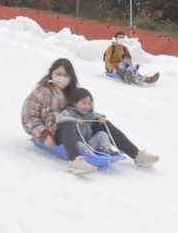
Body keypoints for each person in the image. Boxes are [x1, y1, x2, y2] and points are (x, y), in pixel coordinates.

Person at [22, 58, 159, 174]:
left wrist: (98, 118)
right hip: (55, 132)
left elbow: (86, 110)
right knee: (68, 123)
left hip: (80, 132)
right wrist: (44, 135)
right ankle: (76, 161)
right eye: (58, 74)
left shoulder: (73, 92)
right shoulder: (42, 91)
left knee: (102, 123)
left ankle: (136, 154)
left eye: (65, 75)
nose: (61, 78)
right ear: (51, 74)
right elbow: (28, 116)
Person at [56, 88, 118, 156]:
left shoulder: (89, 114)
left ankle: (107, 150)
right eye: (84, 103)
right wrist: (73, 119)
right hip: (74, 146)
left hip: (88, 143)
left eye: (89, 104)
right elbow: (58, 118)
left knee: (102, 134)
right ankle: (92, 156)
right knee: (79, 144)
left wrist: (101, 117)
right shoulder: (68, 112)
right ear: (74, 103)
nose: (87, 106)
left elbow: (96, 115)